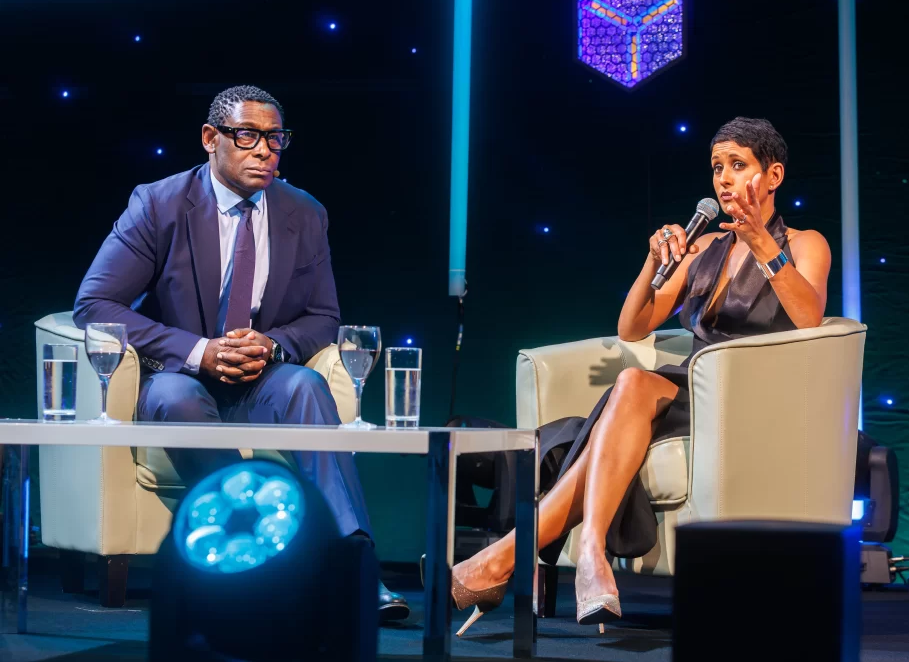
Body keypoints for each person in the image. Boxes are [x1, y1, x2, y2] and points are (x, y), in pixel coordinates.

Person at [449, 117, 832, 633]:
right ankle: (590, 555)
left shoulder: (806, 243)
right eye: (717, 167)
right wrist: (652, 261)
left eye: (737, 165)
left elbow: (809, 317)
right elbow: (633, 327)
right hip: (695, 385)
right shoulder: (702, 250)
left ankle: (498, 562)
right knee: (630, 382)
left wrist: (762, 244)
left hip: (752, 393)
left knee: (606, 420)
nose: (722, 179)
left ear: (773, 175)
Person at [74, 85, 409, 622]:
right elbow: (94, 304)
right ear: (211, 138)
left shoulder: (304, 212)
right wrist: (199, 351)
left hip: (262, 377)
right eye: (248, 136)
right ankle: (259, 555)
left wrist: (273, 344)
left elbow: (323, 318)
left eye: (276, 139)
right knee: (179, 400)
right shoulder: (159, 203)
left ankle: (356, 569)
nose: (265, 151)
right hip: (178, 377)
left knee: (306, 386)